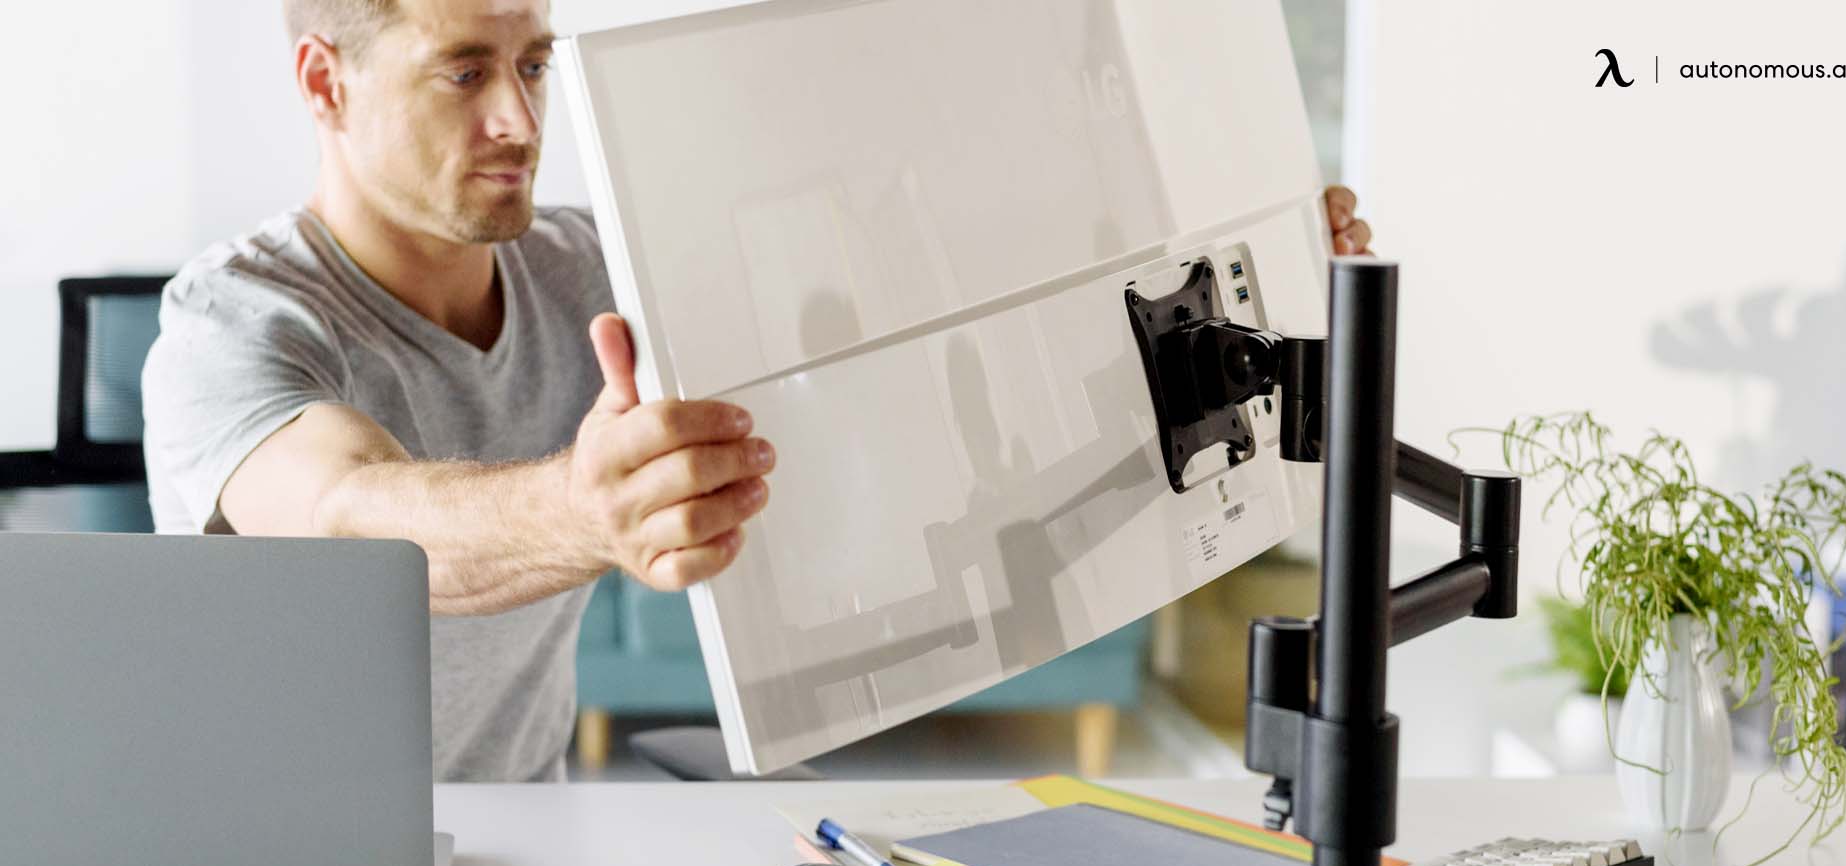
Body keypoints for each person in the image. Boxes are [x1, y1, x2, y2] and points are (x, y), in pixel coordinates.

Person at [142, 0, 1375, 782]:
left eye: (534, 62)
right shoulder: (233, 322)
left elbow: (953, 298)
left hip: (532, 826)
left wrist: (1261, 249)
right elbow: (345, 518)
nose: (520, 116)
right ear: (324, 82)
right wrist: (581, 513)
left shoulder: (579, 265)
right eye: (464, 73)